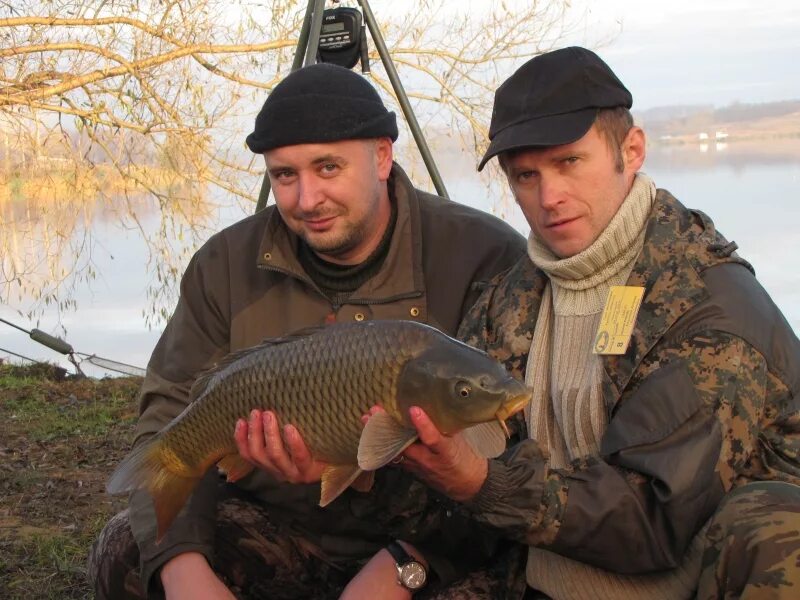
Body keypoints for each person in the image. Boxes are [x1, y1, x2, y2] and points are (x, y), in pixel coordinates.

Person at [353, 46, 800, 599]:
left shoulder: (712, 306)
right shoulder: (509, 297)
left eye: (570, 162)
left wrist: (480, 482)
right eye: (525, 175)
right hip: (541, 577)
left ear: (630, 150)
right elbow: (460, 485)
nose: (549, 197)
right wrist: (355, 460)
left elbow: (650, 520)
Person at [88, 62, 526, 599]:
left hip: (430, 541)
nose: (305, 200)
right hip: (286, 530)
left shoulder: (483, 253)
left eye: (328, 168)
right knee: (130, 553)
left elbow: (516, 456)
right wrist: (185, 570)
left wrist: (409, 565)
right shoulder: (225, 263)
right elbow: (168, 412)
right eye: (284, 176)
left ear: (383, 157)